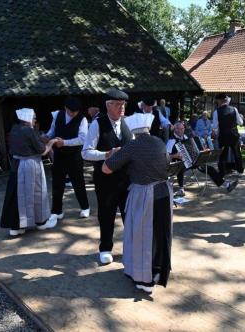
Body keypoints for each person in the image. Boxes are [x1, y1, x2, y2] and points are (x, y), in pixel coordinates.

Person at [102, 113, 173, 294]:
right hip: (164, 192)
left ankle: (144, 279)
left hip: (144, 194)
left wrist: (115, 153)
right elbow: (167, 163)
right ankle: (160, 270)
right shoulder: (158, 142)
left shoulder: (132, 146)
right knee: (160, 234)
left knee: (143, 235)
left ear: (133, 131)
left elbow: (106, 168)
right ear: (148, 128)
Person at [82, 88, 132, 264]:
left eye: (123, 104)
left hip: (127, 179)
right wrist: (106, 154)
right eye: (118, 105)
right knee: (106, 213)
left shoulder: (127, 124)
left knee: (129, 214)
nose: (122, 108)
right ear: (108, 106)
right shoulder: (98, 124)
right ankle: (105, 247)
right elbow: (85, 153)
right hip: (105, 179)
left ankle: (132, 248)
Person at [0, 108, 57, 236]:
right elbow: (42, 150)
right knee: (37, 192)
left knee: (16, 195)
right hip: (30, 164)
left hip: (16, 165)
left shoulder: (14, 129)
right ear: (27, 118)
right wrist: (52, 142)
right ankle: (41, 222)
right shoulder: (29, 131)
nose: (35, 119)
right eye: (34, 117)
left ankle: (16, 227)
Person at [42, 98, 91, 229]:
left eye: (75, 112)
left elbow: (83, 139)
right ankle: (57, 211)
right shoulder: (57, 115)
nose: (73, 114)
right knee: (57, 183)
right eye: (70, 111)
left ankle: (85, 207)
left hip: (74, 155)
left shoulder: (83, 119)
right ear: (65, 108)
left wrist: (65, 142)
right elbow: (52, 130)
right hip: (59, 155)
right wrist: (47, 136)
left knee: (78, 182)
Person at [167, 122, 238, 197]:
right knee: (181, 166)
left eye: (183, 128)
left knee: (209, 168)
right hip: (177, 164)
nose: (182, 130)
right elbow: (166, 156)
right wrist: (175, 155)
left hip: (191, 161)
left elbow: (191, 149)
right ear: (176, 129)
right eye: (180, 129)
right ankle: (181, 189)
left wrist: (202, 151)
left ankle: (226, 185)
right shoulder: (171, 141)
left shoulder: (185, 137)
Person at [212, 93, 244, 176]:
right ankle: (240, 171)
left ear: (219, 101)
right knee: (237, 153)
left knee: (223, 154)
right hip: (234, 134)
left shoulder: (216, 112)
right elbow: (240, 122)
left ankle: (222, 172)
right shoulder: (234, 109)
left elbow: (215, 126)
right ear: (226, 100)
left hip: (223, 135)